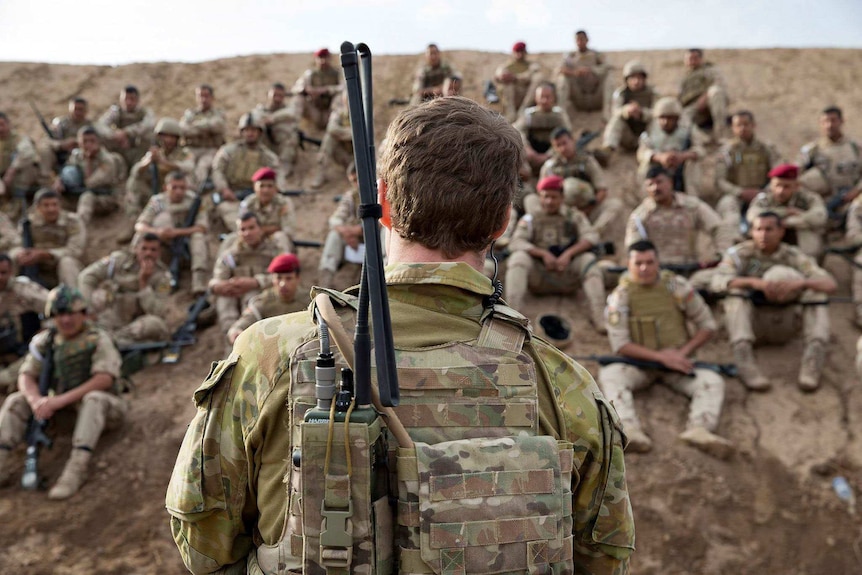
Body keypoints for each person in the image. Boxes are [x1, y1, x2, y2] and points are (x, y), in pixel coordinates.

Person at [167, 96, 634, 574]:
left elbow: (204, 544)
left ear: (381, 204)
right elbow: (604, 561)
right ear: (503, 222)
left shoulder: (268, 355)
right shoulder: (564, 386)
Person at [601, 240, 732, 457]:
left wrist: (681, 354)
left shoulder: (676, 286)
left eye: (650, 262)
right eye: (638, 263)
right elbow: (621, 344)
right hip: (640, 365)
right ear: (628, 264)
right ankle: (629, 429)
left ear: (658, 262)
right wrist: (660, 357)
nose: (644, 268)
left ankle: (699, 429)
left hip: (677, 363)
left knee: (711, 381)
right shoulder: (621, 296)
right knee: (611, 375)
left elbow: (707, 325)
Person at [0, 285, 125, 500]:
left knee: (93, 399)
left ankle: (76, 469)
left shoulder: (97, 338)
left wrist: (57, 401)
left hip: (103, 411)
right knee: (15, 400)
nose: (65, 320)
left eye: (70, 314)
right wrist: (36, 401)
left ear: (82, 314)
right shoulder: (46, 342)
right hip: (63, 414)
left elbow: (104, 378)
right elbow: (26, 375)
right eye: (59, 315)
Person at [712, 212, 836, 391]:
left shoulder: (793, 256)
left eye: (769, 229)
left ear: (781, 231)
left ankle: (812, 362)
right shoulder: (741, 254)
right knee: (734, 295)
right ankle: (744, 361)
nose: (763, 234)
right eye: (758, 229)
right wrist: (754, 283)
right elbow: (717, 281)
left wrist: (799, 283)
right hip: (754, 323)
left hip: (786, 321)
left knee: (817, 294)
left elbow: (830, 284)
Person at [505, 174, 609, 333]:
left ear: (562, 197)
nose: (549, 201)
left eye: (554, 197)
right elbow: (516, 242)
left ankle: (599, 318)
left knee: (588, 260)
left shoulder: (574, 216)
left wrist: (569, 254)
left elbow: (591, 236)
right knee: (518, 258)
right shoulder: (531, 218)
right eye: (545, 196)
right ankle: (512, 316)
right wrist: (542, 254)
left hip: (567, 273)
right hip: (540, 275)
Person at [626, 165, 734, 290]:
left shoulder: (692, 206)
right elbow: (633, 248)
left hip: (691, 270)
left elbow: (720, 228)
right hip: (657, 273)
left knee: (721, 278)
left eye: (660, 182)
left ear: (670, 182)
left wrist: (721, 254)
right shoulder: (640, 216)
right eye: (650, 184)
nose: (656, 188)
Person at [78, 233, 171, 345]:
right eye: (144, 249)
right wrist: (88, 310)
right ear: (136, 249)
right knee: (98, 295)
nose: (148, 253)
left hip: (133, 323)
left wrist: (143, 283)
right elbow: (86, 276)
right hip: (110, 313)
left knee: (156, 325)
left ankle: (113, 339)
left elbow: (158, 312)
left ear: (159, 253)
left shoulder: (163, 277)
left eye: (153, 250)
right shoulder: (119, 260)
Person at [134, 171, 210, 295]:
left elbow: (202, 227)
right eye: (174, 187)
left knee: (198, 237)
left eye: (182, 187)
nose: (179, 191)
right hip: (162, 245)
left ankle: (198, 281)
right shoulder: (157, 201)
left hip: (186, 244)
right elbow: (140, 225)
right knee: (144, 234)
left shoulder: (194, 201)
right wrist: (158, 232)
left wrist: (177, 232)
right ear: (166, 187)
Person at [209, 212, 281, 335]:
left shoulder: (274, 250)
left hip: (260, 296)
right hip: (234, 294)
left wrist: (256, 282)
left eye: (251, 228)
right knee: (224, 300)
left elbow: (284, 276)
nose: (247, 233)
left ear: (260, 229)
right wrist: (221, 286)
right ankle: (230, 338)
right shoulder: (231, 253)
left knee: (251, 298)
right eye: (243, 229)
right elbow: (218, 277)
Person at [714, 110, 782, 237]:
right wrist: (740, 192)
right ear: (733, 128)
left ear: (753, 125)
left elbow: (777, 174)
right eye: (738, 125)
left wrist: (764, 191)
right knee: (728, 207)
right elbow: (720, 181)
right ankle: (734, 240)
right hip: (736, 194)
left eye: (746, 124)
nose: (742, 128)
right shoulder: (727, 151)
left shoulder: (766, 148)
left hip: (763, 192)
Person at [210, 113, 280, 232]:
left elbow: (276, 177)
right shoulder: (228, 151)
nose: (250, 133)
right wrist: (224, 189)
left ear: (260, 132)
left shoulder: (269, 157)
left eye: (253, 130)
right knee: (227, 210)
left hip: (256, 197)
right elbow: (217, 170)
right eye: (247, 130)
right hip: (232, 195)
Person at [746, 164, 827, 259]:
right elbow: (752, 216)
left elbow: (820, 217)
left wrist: (790, 222)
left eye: (786, 187)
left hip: (800, 242)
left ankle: (809, 260)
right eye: (777, 185)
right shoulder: (765, 198)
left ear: (796, 186)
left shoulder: (808, 198)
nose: (780, 191)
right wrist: (784, 212)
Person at [9, 189, 86, 288]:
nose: (51, 209)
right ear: (38, 207)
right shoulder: (28, 223)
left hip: (62, 267)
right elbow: (15, 244)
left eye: (54, 204)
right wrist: (21, 254)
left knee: (67, 262)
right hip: (36, 267)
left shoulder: (72, 221)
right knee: (12, 259)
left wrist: (47, 254)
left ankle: (73, 299)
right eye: (46, 205)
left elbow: (75, 250)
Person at [226, 253, 307, 344]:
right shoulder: (265, 300)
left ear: (298, 278)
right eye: (278, 278)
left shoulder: (309, 301)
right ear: (272, 279)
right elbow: (249, 318)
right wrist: (236, 330)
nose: (282, 284)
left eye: (288, 278)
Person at [125, 118, 195, 221]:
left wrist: (164, 163)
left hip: (177, 193)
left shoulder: (184, 153)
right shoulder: (156, 153)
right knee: (134, 181)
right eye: (165, 136)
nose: (168, 140)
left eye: (172, 137)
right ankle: (134, 218)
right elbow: (135, 171)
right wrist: (149, 161)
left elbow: (189, 167)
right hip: (157, 190)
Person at [797, 106, 861, 217]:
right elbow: (797, 175)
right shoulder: (812, 150)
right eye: (825, 121)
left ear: (841, 121)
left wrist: (857, 190)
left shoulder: (855, 148)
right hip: (824, 202)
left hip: (855, 200)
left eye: (833, 120)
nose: (829, 125)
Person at [52, 126, 124, 224]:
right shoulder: (77, 155)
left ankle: (80, 225)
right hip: (76, 194)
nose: (88, 144)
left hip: (103, 197)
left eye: (92, 141)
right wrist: (59, 181)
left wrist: (88, 161)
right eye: (84, 141)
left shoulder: (107, 161)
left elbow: (90, 184)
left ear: (98, 141)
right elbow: (67, 170)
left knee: (87, 197)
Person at [637, 97, 707, 196]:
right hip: (659, 167)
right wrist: (659, 157)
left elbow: (701, 150)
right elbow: (641, 153)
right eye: (662, 118)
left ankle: (692, 198)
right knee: (644, 167)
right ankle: (647, 197)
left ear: (677, 118)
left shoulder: (687, 129)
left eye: (670, 118)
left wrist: (683, 156)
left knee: (692, 165)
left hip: (681, 168)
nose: (666, 122)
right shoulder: (651, 131)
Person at [0, 253, 48, 391]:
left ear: (11, 272)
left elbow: (58, 311)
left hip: (24, 351)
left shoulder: (25, 290)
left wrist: (45, 330)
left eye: (3, 273)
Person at [319, 162, 368, 287]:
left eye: (359, 179)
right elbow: (335, 219)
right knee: (334, 236)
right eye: (353, 181)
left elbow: (384, 220)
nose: (357, 184)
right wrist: (346, 232)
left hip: (376, 236)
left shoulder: (379, 191)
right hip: (357, 239)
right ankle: (325, 283)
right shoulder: (351, 196)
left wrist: (359, 230)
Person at [535, 126, 607, 207]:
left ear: (572, 140)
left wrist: (590, 208)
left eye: (564, 143)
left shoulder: (586, 161)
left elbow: (601, 189)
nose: (563, 148)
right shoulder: (550, 166)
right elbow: (541, 192)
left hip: (587, 206)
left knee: (614, 205)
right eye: (558, 146)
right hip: (561, 210)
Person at [514, 83, 572, 176]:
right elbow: (518, 131)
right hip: (530, 154)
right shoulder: (529, 115)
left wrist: (548, 155)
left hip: (553, 153)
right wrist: (528, 150)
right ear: (536, 98)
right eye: (542, 97)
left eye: (548, 97)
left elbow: (567, 136)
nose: (544, 100)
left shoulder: (560, 115)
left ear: (553, 98)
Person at [602, 60, 659, 154]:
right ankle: (608, 149)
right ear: (626, 80)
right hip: (628, 136)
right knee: (616, 120)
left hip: (648, 137)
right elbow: (615, 111)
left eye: (639, 78)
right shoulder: (621, 93)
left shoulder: (653, 93)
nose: (636, 81)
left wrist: (641, 113)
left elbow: (658, 113)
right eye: (632, 78)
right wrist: (627, 111)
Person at [96, 85, 156, 169]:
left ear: (138, 100)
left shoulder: (145, 112)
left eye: (132, 99)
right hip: (120, 145)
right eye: (125, 99)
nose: (128, 102)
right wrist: (115, 135)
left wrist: (127, 132)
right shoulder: (116, 111)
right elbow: (100, 125)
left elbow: (149, 124)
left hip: (138, 147)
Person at [237, 167, 295, 253]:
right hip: (252, 240)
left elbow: (288, 231)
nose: (265, 190)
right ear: (254, 187)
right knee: (231, 239)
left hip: (273, 242)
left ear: (275, 188)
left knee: (281, 237)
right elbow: (241, 226)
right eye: (261, 186)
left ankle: (283, 264)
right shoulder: (248, 203)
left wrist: (263, 231)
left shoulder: (283, 203)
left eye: (269, 186)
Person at [677, 48, 729, 140]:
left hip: (709, 101)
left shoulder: (710, 70)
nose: (692, 61)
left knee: (716, 91)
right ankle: (703, 139)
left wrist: (705, 97)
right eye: (689, 58)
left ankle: (720, 134)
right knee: (682, 117)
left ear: (701, 59)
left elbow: (718, 84)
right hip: (693, 108)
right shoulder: (684, 78)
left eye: (695, 58)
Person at [556, 30, 611, 116]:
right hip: (578, 94)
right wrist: (575, 72)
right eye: (577, 40)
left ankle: (608, 112)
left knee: (609, 76)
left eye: (582, 39)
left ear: (587, 40)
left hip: (595, 94)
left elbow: (608, 66)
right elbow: (559, 69)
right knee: (563, 79)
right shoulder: (570, 56)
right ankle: (561, 113)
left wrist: (591, 70)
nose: (580, 42)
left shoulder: (595, 54)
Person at [179, 84, 226, 185]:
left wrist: (194, 127)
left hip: (211, 149)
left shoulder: (218, 113)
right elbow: (183, 129)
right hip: (192, 148)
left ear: (212, 98)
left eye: (206, 96)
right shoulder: (190, 113)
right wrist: (206, 127)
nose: (203, 99)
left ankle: (198, 189)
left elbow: (217, 125)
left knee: (203, 166)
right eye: (200, 96)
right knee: (187, 165)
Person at [37, 97, 91, 183]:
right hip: (60, 154)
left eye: (80, 109)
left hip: (80, 157)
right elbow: (46, 140)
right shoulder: (61, 123)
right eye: (75, 109)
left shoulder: (90, 125)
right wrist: (61, 144)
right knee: (45, 149)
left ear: (86, 111)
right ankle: (45, 179)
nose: (77, 112)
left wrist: (78, 143)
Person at [255, 82, 300, 186]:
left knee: (292, 135)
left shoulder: (287, 109)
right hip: (266, 146)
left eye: (280, 95)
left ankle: (284, 168)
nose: (277, 98)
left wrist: (272, 119)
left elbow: (291, 113)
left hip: (283, 148)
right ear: (269, 95)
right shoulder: (261, 109)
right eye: (275, 95)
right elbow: (255, 118)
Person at [290, 48, 342, 131]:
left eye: (325, 58)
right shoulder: (310, 74)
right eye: (320, 58)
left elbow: (344, 88)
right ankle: (293, 128)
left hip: (330, 112)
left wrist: (326, 90)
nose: (323, 61)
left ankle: (337, 127)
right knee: (298, 99)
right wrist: (306, 90)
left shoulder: (337, 73)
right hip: (315, 111)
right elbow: (295, 88)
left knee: (340, 97)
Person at [0, 112, 40, 218]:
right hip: (2, 179)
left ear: (8, 124)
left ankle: (18, 202)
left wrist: (12, 169)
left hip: (18, 177)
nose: (0, 129)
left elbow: (28, 154)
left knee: (29, 167)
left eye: (2, 124)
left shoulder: (18, 138)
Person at [310, 90, 353, 189]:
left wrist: (341, 134)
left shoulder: (364, 115)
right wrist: (350, 133)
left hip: (356, 159)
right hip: (343, 155)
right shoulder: (339, 114)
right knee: (329, 137)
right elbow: (332, 128)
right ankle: (320, 173)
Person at [493, 41, 542, 122]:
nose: (519, 54)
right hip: (511, 96)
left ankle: (523, 109)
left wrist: (516, 78)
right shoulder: (506, 66)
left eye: (521, 51)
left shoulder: (532, 65)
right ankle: (511, 113)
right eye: (517, 52)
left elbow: (532, 76)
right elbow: (498, 76)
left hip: (527, 95)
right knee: (507, 82)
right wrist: (501, 77)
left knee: (539, 78)